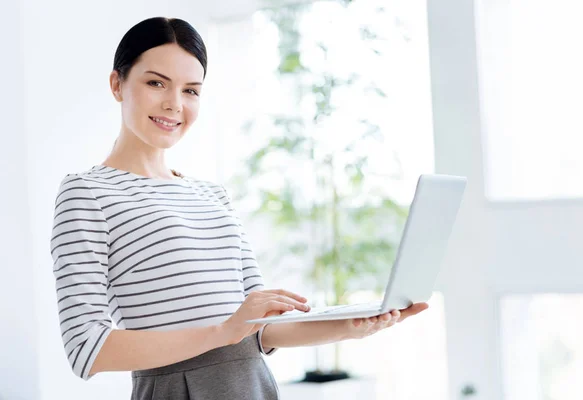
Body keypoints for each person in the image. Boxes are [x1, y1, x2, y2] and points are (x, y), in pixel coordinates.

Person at [49, 16, 429, 399]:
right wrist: (222, 332)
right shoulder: (87, 193)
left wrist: (351, 325)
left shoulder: (212, 196)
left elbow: (258, 329)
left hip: (251, 385)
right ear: (118, 84)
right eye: (155, 83)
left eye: (191, 90)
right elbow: (87, 348)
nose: (174, 104)